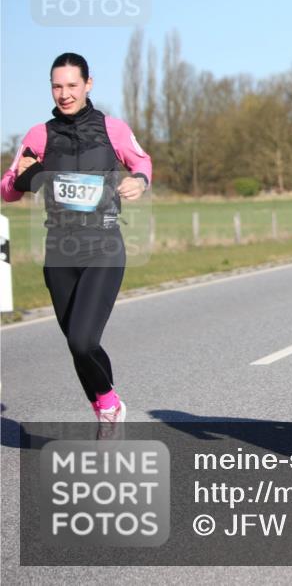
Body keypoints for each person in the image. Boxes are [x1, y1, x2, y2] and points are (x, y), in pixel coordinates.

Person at [1, 53, 152, 432]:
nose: (64, 94)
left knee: (84, 340)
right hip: (59, 251)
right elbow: (8, 189)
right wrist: (24, 177)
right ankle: (106, 403)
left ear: (88, 84)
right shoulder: (38, 135)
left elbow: (142, 162)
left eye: (72, 85)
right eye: (57, 86)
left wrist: (139, 181)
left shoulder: (112, 129)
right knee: (75, 343)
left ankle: (108, 408)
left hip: (103, 245)